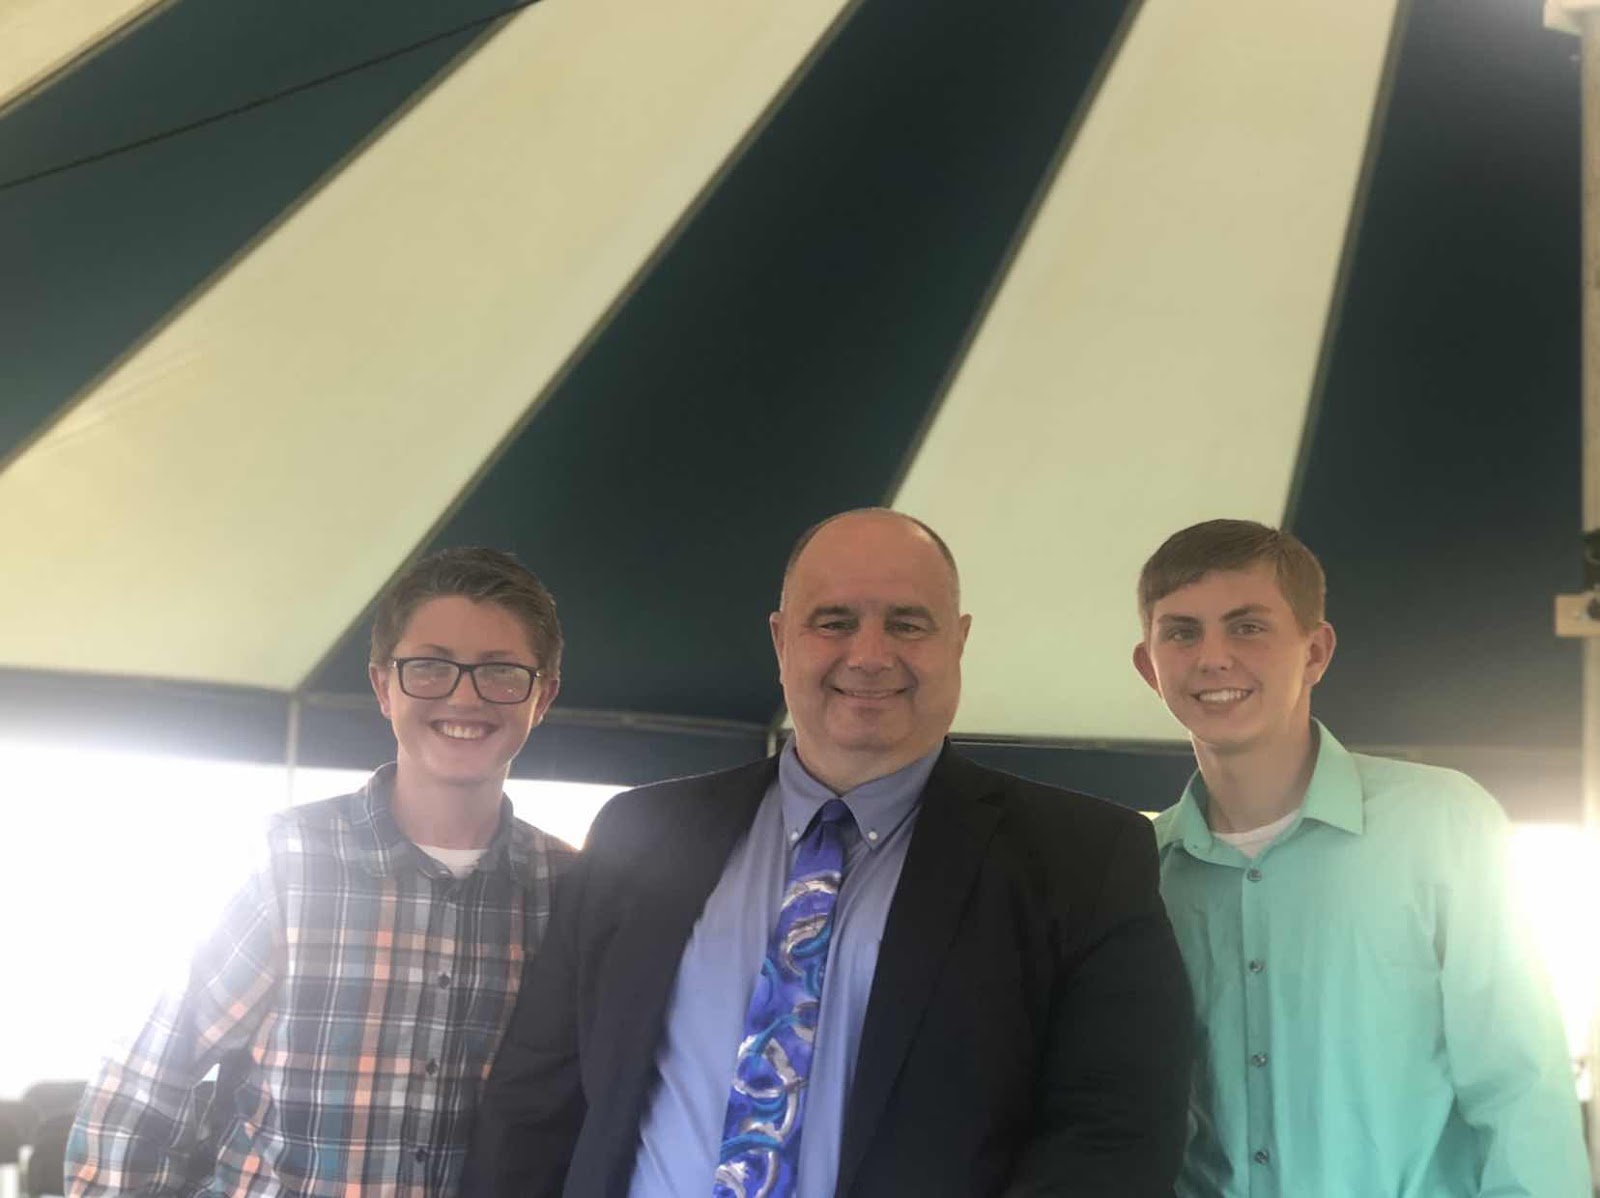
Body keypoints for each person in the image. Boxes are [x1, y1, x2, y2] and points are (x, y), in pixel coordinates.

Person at [470, 508, 1192, 1198]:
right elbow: (534, 1105)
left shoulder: (1084, 860)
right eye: (834, 622)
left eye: (907, 623)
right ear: (781, 640)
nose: (869, 655)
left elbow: (1113, 1142)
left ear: (959, 640)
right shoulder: (639, 833)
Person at [67, 547, 575, 1198]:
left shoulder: (570, 890)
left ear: (543, 695)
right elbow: (144, 1086)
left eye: (501, 672)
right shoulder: (287, 861)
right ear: (383, 687)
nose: (463, 695)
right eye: (429, 666)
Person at [1131, 518, 1588, 1197]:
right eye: (1182, 632)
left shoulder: (1443, 824)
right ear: (1149, 667)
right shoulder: (1141, 872)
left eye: (1247, 627)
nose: (1213, 657)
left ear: (1315, 652)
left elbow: (1521, 1088)